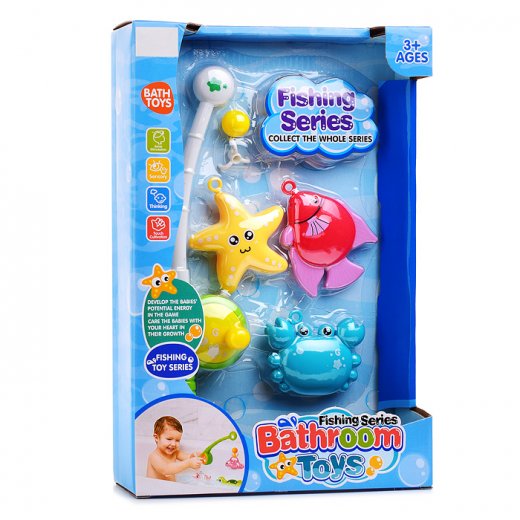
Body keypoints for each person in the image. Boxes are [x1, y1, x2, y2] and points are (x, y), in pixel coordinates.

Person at [146, 416, 202, 481]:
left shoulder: (175, 452)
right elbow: (166, 470)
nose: (173, 444)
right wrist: (188, 463)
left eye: (177, 440)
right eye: (169, 439)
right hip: (154, 486)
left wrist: (196, 456)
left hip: (170, 486)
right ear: (156, 438)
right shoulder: (154, 456)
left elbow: (188, 457)